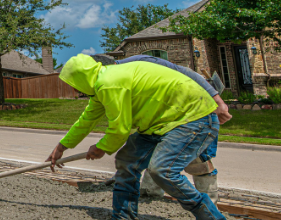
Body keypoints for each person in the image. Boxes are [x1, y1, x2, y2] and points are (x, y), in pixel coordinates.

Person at [47, 54, 234, 220]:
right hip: (160, 123)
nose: (74, 89)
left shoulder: (109, 83)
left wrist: (100, 148)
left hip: (192, 118)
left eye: (73, 84)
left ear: (80, 78)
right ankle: (124, 217)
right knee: (127, 161)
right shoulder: (102, 85)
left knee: (163, 170)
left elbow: (120, 129)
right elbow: (86, 121)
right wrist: (62, 147)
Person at [91, 54, 229, 201]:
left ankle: (210, 202)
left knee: (199, 159)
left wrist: (218, 101)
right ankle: (149, 193)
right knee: (156, 150)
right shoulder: (116, 83)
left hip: (193, 108)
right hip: (163, 114)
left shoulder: (142, 63)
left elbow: (189, 74)